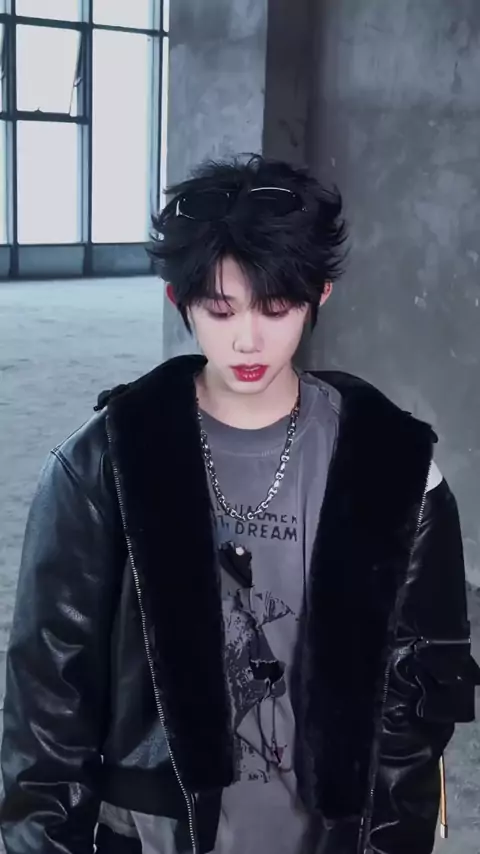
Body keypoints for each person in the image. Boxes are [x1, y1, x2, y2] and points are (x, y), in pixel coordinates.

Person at [1, 155, 479, 854]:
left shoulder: (398, 471)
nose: (247, 339)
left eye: (275, 308)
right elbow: (48, 704)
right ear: (180, 300)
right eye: (220, 310)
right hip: (156, 836)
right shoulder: (103, 464)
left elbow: (415, 712)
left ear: (320, 295)